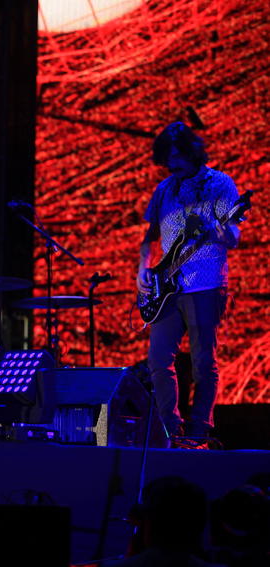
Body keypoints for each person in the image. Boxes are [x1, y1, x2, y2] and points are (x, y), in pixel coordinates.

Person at [137, 121, 240, 447]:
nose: (171, 164)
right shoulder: (164, 189)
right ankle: (171, 431)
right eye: (167, 159)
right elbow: (148, 237)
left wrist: (221, 234)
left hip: (206, 284)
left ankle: (199, 432)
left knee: (203, 362)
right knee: (158, 360)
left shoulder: (220, 184)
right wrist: (142, 269)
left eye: (176, 156)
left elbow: (233, 236)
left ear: (192, 152)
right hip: (168, 286)